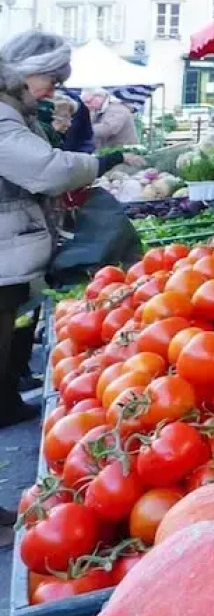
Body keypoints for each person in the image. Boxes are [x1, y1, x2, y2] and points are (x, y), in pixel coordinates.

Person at [0, 32, 137, 426]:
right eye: (53, 80)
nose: (54, 90)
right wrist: (102, 162)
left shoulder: (18, 112)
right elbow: (48, 169)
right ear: (28, 71)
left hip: (12, 241)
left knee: (11, 321)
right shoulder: (4, 116)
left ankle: (7, 399)